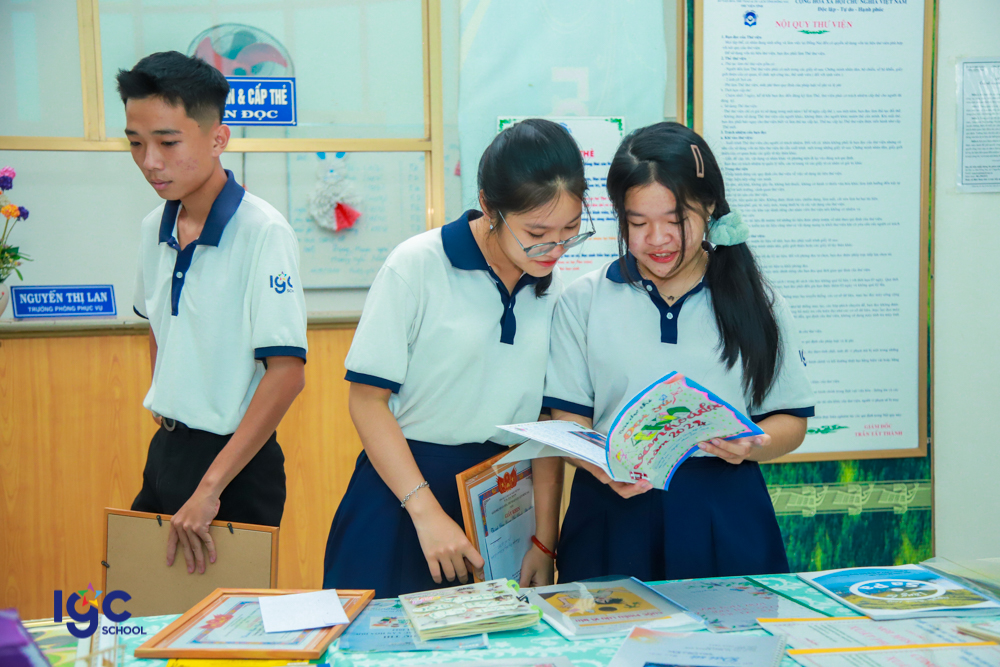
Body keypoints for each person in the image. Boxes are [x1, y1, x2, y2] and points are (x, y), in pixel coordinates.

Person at [323, 119, 592, 597]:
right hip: (404, 495)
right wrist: (425, 512)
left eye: (569, 231)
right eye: (536, 232)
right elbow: (366, 401)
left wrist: (543, 539)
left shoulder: (553, 292)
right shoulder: (417, 266)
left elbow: (545, 425)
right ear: (489, 206)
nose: (554, 249)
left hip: (499, 505)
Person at [543, 122, 815, 582]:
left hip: (724, 510)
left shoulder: (758, 303)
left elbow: (791, 419)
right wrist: (599, 465)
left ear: (709, 208)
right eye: (638, 223)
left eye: (675, 221)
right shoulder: (583, 300)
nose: (657, 239)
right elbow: (568, 418)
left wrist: (754, 444)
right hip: (612, 510)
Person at [120, 51, 307, 575]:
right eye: (135, 143)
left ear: (218, 139)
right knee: (144, 605)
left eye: (168, 142)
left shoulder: (263, 232)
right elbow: (158, 322)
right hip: (167, 449)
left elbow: (287, 374)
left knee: (227, 621)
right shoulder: (153, 226)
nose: (150, 161)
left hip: (234, 470)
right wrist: (167, 396)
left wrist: (210, 488)